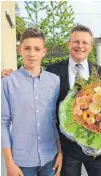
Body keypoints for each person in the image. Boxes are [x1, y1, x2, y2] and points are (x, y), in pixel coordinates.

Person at [1, 25, 101, 176]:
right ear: (69, 44)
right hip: (65, 150)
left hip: (94, 149)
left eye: (85, 42)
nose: (80, 46)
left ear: (91, 46)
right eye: (76, 41)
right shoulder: (53, 72)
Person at [1, 28, 63, 176]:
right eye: (27, 48)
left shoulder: (54, 81)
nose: (32, 53)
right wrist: (9, 162)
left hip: (50, 159)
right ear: (20, 50)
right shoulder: (7, 82)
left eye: (37, 49)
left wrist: (60, 152)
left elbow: (55, 120)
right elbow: (3, 123)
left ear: (44, 51)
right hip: (21, 162)